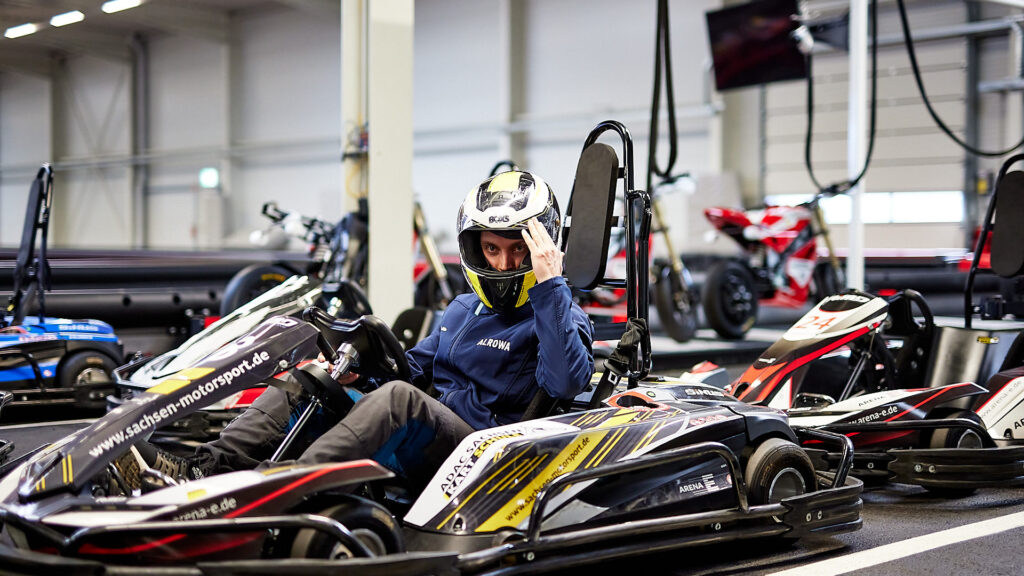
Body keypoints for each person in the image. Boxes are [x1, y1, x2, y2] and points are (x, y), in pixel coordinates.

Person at [143, 170, 594, 490]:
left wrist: (550, 286)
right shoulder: (462, 309)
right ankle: (204, 471)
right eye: (492, 249)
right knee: (311, 378)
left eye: (518, 250)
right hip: (429, 434)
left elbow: (565, 381)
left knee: (399, 401)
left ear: (543, 247)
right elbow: (415, 370)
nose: (503, 264)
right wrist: (362, 370)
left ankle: (279, 489)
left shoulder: (561, 316)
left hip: (481, 455)